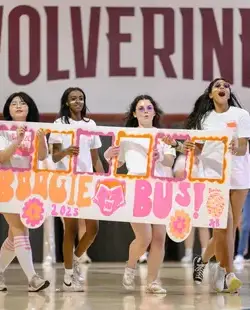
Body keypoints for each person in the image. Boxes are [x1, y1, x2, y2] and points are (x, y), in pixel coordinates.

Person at [166, 78, 250, 293]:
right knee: (226, 224)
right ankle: (227, 274)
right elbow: (198, 151)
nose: (222, 88)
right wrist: (181, 146)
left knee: (226, 229)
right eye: (217, 86)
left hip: (239, 175)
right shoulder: (204, 119)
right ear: (211, 94)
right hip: (213, 175)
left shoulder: (241, 115)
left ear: (229, 93)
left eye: (226, 86)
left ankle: (203, 260)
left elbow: (242, 149)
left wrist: (234, 147)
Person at [104, 95, 176, 294]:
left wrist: (161, 156)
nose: (145, 110)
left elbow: (170, 160)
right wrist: (108, 155)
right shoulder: (127, 135)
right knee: (144, 238)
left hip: (160, 189)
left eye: (149, 107)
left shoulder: (163, 135)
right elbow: (117, 163)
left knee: (159, 237)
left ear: (154, 112)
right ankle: (130, 266)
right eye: (141, 108)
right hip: (136, 188)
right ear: (134, 114)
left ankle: (152, 281)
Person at [49, 87, 104, 292]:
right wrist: (66, 152)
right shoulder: (58, 124)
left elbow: (95, 158)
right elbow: (53, 157)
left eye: (81, 98)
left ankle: (76, 258)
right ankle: (68, 277)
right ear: (66, 102)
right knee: (70, 230)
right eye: (73, 99)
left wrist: (104, 180)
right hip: (66, 182)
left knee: (93, 228)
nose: (77, 101)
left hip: (87, 183)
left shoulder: (91, 124)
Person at [0, 92, 50, 292]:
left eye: (23, 103)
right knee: (21, 230)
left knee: (14, 236)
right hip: (5, 184)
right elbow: (2, 156)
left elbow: (42, 156)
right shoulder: (3, 130)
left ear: (30, 108)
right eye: (14, 103)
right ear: (8, 109)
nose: (18, 105)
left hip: (27, 187)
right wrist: (17, 140)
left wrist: (41, 140)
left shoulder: (35, 129)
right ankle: (33, 278)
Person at [173, 155, 210, 263]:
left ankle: (205, 253)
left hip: (201, 193)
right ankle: (188, 253)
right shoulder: (181, 159)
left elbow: (210, 176)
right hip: (186, 195)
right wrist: (189, 167)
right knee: (188, 225)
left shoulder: (204, 158)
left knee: (203, 225)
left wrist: (198, 164)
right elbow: (177, 176)